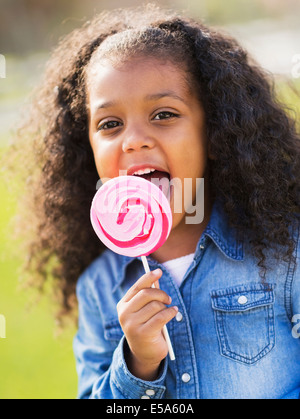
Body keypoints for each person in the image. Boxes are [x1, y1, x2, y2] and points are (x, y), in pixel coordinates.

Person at [18, 5, 300, 399]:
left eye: (163, 114)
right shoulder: (100, 288)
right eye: (110, 124)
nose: (133, 139)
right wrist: (137, 364)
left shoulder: (285, 252)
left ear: (214, 133)